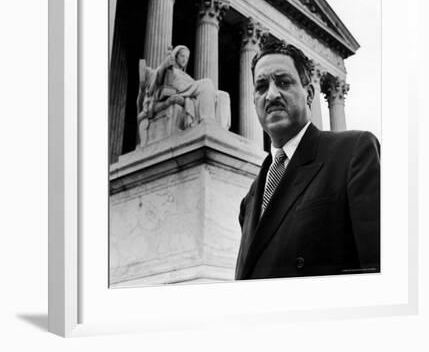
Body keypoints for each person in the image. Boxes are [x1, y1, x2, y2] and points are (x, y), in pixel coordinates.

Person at [235, 37, 380, 280]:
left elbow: (377, 269)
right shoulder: (249, 199)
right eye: (261, 87)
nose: (271, 95)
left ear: (309, 93)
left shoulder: (353, 152)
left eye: (283, 82)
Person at [141, 45, 218, 127]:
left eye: (187, 58)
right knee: (207, 83)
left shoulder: (187, 76)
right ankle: (206, 122)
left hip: (190, 90)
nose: (185, 60)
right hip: (180, 91)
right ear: (176, 56)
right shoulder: (170, 69)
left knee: (223, 95)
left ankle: (217, 129)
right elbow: (158, 81)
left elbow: (194, 87)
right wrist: (165, 64)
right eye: (182, 56)